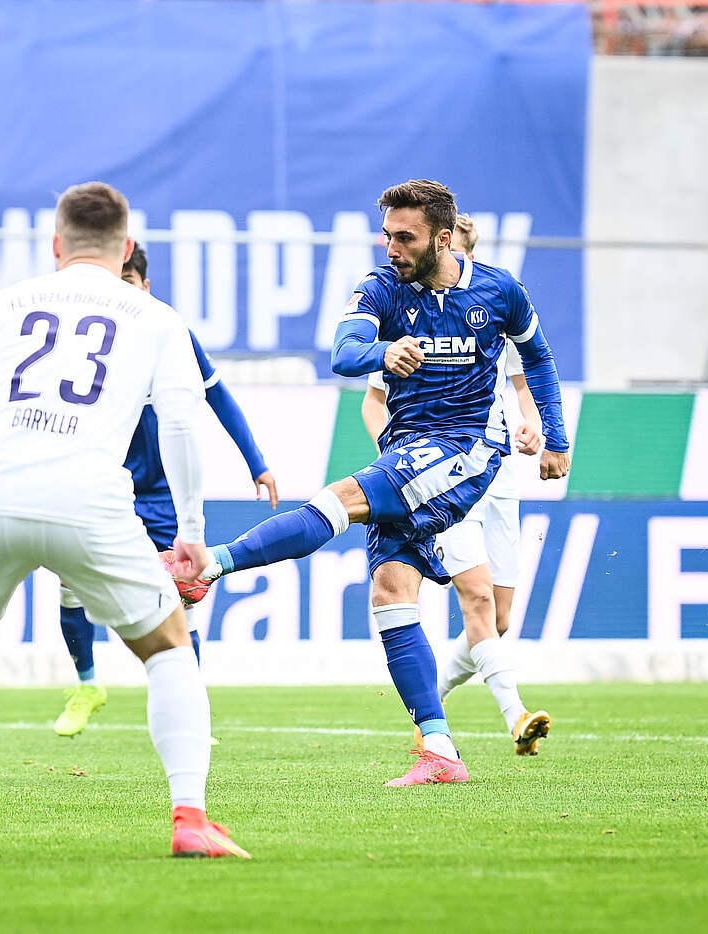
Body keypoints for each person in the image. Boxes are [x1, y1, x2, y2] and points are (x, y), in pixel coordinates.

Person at [0, 182, 248, 861]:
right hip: (89, 499)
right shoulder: (156, 317)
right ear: (126, 248)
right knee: (168, 649)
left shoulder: (6, 302)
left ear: (55, 245)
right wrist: (190, 531)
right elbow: (182, 423)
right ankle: (189, 818)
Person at [181, 180, 571, 785]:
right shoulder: (382, 286)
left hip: (466, 449)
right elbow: (344, 351)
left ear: (443, 238)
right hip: (406, 447)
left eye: (405, 237)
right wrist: (382, 353)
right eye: (387, 235)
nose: (392, 248)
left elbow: (537, 358)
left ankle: (210, 565)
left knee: (340, 499)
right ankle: (440, 752)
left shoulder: (500, 291)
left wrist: (556, 437)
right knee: (390, 595)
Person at [53, 243, 278, 737]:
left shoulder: (170, 331)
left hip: (162, 496)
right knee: (70, 585)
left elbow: (219, 396)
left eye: (129, 283)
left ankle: (189, 712)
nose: (121, 293)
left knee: (182, 599)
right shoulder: (89, 335)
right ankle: (87, 685)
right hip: (104, 486)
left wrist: (257, 463)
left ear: (146, 285)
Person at [361, 215, 552, 756]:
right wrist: (400, 457)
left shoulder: (493, 310)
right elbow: (373, 400)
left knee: (498, 619)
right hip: (443, 476)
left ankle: (432, 702)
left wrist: (534, 423)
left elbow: (525, 381)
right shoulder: (405, 315)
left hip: (499, 475)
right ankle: (516, 717)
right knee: (477, 599)